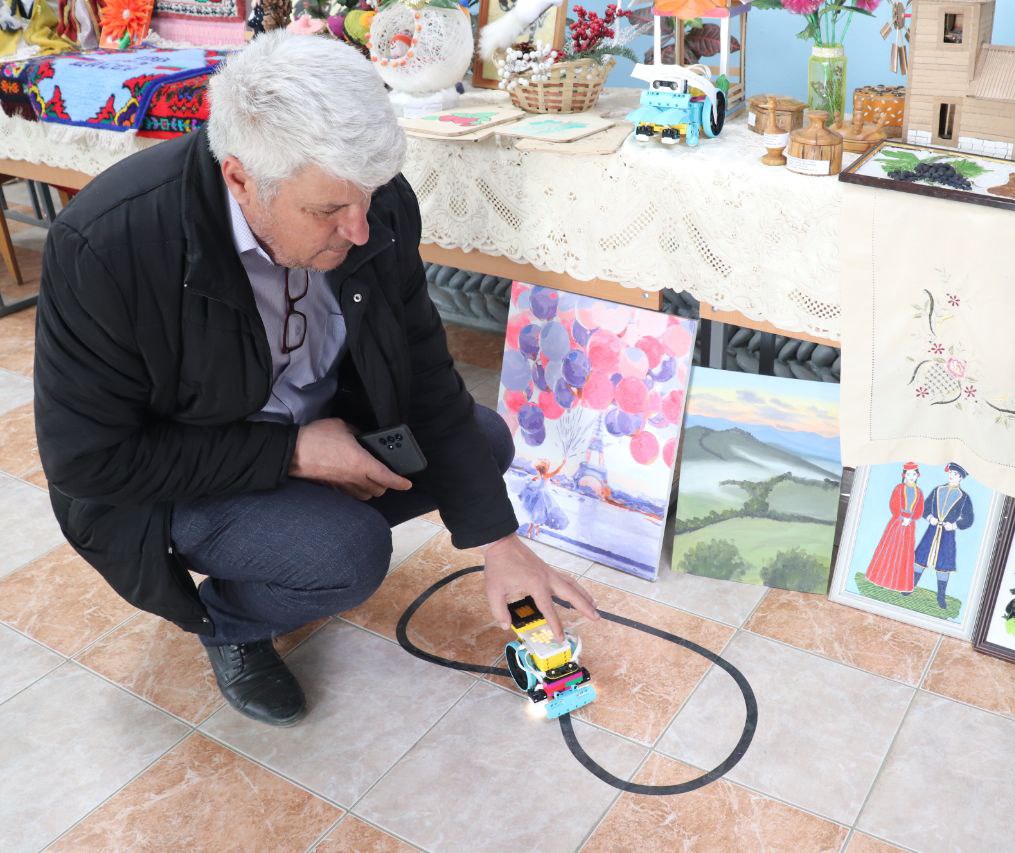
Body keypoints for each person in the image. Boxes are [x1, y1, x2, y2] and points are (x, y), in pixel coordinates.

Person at [32, 32, 598, 727]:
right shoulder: (109, 244)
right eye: (328, 212)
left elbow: (425, 373)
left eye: (366, 198)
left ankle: (294, 537)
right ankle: (231, 623)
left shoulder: (371, 203)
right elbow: (88, 463)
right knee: (346, 553)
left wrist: (498, 542)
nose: (359, 230)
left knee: (481, 443)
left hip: (315, 424)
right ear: (240, 179)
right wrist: (292, 454)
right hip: (179, 475)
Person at [912, 462, 975, 612]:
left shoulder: (964, 497)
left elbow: (969, 519)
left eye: (956, 474)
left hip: (947, 534)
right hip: (932, 530)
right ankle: (911, 586)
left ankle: (941, 596)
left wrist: (953, 525)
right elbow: (925, 507)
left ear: (961, 478)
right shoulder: (938, 490)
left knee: (944, 565)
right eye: (951, 473)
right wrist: (929, 517)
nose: (952, 476)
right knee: (920, 558)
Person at [863, 462, 923, 593]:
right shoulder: (899, 488)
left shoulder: (919, 492)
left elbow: (919, 510)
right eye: (908, 474)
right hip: (896, 522)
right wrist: (901, 516)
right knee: (889, 549)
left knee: (904, 553)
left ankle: (898, 584)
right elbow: (893, 504)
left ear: (917, 475)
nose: (911, 477)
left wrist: (910, 518)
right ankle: (880, 579)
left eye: (914, 474)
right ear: (904, 475)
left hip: (909, 525)